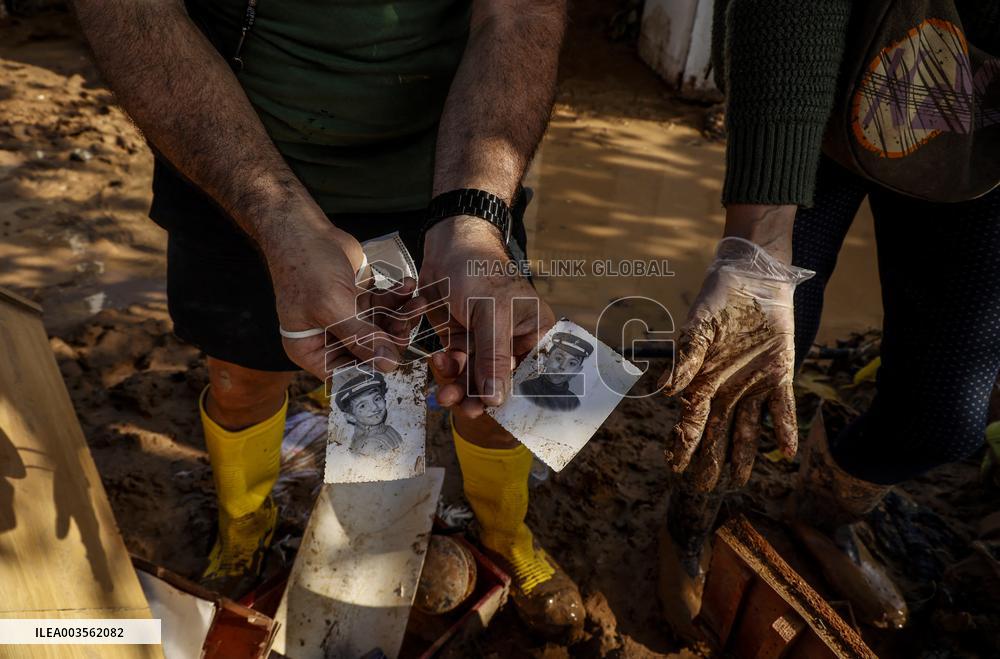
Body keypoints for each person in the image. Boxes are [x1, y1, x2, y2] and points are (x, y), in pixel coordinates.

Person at [73, 0, 584, 638]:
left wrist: (475, 220)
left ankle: (506, 534)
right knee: (239, 378)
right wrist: (275, 219)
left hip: (453, 155)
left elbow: (522, 13)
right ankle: (244, 530)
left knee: (504, 370)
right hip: (229, 153)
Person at [656, 0, 1000, 640]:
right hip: (820, 73)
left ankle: (823, 511)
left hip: (981, 138)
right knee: (744, 353)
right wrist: (757, 246)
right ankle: (690, 518)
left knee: (947, 415)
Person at [518, 332, 594, 411]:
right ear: (546, 359)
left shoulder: (573, 402)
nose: (562, 367)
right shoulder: (526, 388)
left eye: (572, 363)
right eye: (558, 358)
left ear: (577, 371)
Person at [334, 370, 403, 456]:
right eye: (363, 406)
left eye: (377, 399)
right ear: (350, 417)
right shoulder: (369, 445)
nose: (374, 407)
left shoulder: (388, 429)